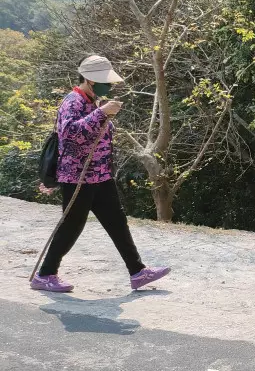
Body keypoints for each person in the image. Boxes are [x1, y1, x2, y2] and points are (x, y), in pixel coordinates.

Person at [31, 55, 171, 293]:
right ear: (90, 80)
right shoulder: (73, 101)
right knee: (72, 226)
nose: (110, 86)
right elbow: (70, 134)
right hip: (78, 178)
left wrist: (102, 112)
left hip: (100, 176)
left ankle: (137, 271)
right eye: (105, 81)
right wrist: (101, 112)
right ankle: (45, 275)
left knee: (117, 222)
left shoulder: (91, 101)